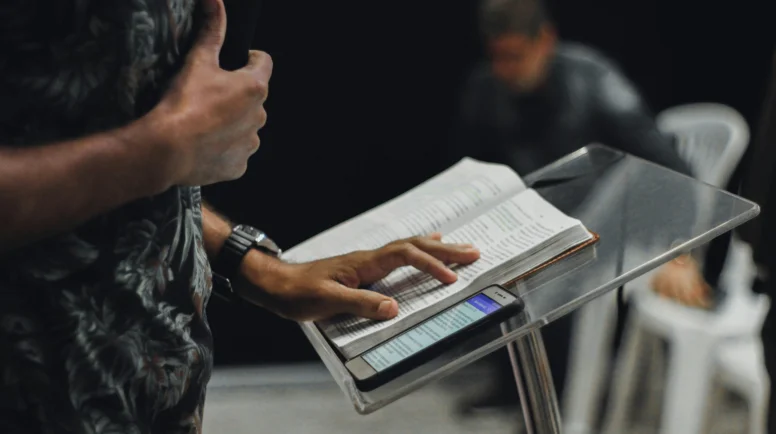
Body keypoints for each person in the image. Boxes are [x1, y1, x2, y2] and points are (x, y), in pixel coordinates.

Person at [0, 1, 482, 432]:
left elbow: (109, 148)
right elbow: (156, 150)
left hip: (156, 395)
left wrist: (253, 265)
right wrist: (161, 150)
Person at [450, 0, 712, 413]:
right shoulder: (485, 89)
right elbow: (474, 174)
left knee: (549, 283)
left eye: (516, 56)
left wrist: (680, 251)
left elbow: (669, 168)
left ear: (545, 40)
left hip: (606, 226)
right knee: (479, 266)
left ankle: (563, 401)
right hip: (533, 222)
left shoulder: (595, 80)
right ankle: (517, 388)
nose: (506, 69)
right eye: (497, 56)